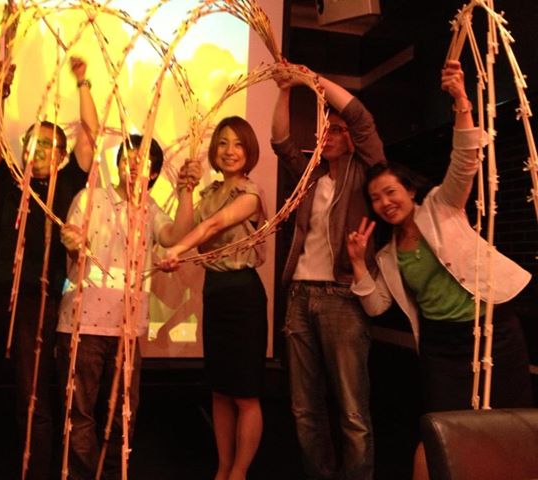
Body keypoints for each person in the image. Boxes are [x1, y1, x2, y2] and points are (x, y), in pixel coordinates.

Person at [347, 60, 534, 479]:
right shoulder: (387, 255)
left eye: (390, 192)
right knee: (441, 431)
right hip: (441, 346)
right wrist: (358, 263)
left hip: (492, 330)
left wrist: (461, 100)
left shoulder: (442, 206)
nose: (384, 203)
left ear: (410, 190)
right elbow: (376, 307)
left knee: (512, 426)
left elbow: (465, 159)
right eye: (376, 199)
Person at [0, 56, 98, 479]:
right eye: (32, 142)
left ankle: (34, 472)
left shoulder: (68, 182)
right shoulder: (8, 177)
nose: (38, 151)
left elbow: (91, 137)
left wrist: (83, 82)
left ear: (62, 155)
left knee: (32, 397)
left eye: (49, 145)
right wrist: (0, 91)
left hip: (39, 299)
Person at [56, 134, 200, 479]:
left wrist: (186, 191)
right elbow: (72, 239)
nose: (134, 164)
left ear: (154, 173)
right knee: (79, 414)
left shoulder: (151, 209)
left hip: (127, 328)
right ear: (118, 162)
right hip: (82, 323)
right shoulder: (90, 197)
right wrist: (71, 240)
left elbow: (174, 236)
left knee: (122, 415)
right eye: (129, 157)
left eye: (143, 160)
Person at [271, 63, 385, 479]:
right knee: (304, 407)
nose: (327, 135)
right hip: (300, 294)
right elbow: (280, 142)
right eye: (324, 130)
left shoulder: (367, 172)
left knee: (352, 409)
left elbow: (361, 117)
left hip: (342, 297)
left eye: (336, 130)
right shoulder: (311, 176)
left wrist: (310, 78)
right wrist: (285, 90)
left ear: (352, 139)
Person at [158, 116, 268, 480]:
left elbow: (213, 226)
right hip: (215, 292)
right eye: (222, 143)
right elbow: (183, 231)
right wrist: (186, 190)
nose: (229, 150)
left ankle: (239, 473)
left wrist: (177, 252)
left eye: (238, 143)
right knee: (220, 391)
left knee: (245, 394)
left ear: (249, 150)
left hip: (243, 294)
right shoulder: (209, 194)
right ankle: (223, 468)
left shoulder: (250, 193)